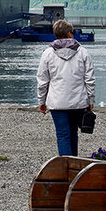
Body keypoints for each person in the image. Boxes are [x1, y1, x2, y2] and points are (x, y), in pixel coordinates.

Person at [36, 19, 95, 156]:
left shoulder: (48, 53)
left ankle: (65, 166)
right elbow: (89, 79)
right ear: (69, 34)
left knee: (63, 134)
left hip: (57, 101)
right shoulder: (83, 52)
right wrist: (90, 99)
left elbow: (43, 80)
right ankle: (74, 165)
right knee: (73, 133)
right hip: (78, 101)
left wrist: (41, 101)